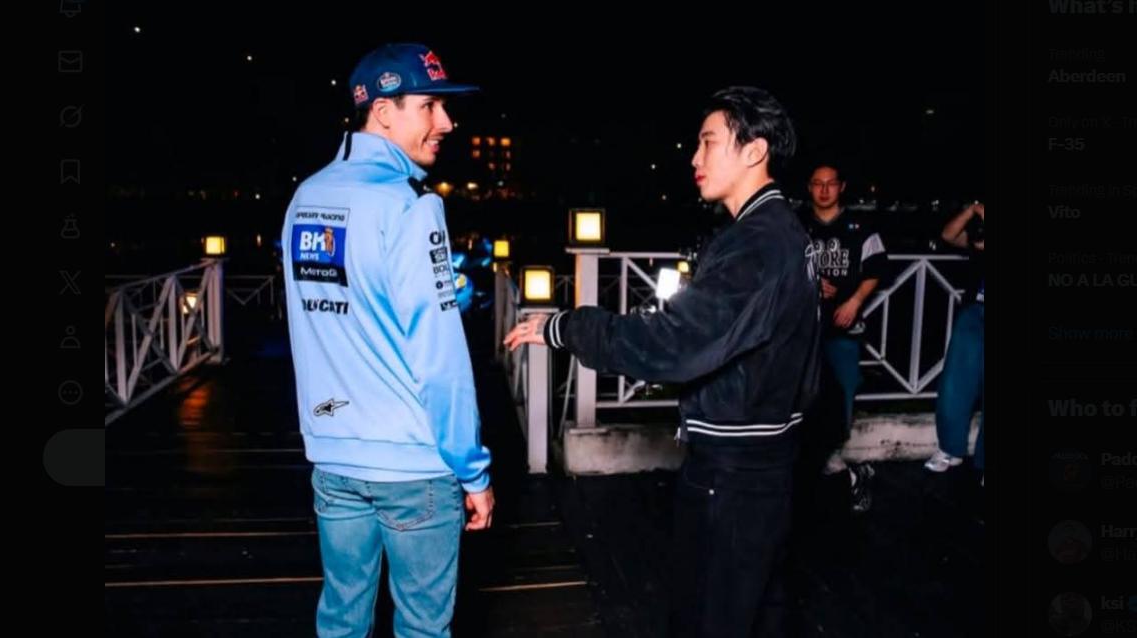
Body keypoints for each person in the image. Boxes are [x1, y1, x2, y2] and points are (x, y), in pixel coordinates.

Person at [505, 86, 821, 638]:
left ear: (754, 151)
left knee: (708, 618)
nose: (695, 157)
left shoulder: (756, 244)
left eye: (708, 142)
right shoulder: (781, 232)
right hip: (765, 463)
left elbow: (673, 344)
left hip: (735, 475)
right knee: (753, 614)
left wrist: (566, 327)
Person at [281, 42, 494, 637]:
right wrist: (473, 471)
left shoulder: (304, 199)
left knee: (342, 620)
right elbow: (441, 359)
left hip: (333, 457)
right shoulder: (410, 208)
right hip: (413, 466)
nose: (446, 123)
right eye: (429, 107)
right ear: (382, 111)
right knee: (423, 628)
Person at [799, 163, 888, 513]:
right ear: (809, 187)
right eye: (817, 183)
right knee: (802, 393)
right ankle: (810, 459)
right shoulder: (796, 225)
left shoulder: (860, 227)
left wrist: (854, 301)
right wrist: (809, 283)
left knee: (843, 390)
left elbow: (877, 268)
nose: (824, 190)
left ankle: (836, 459)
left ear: (841, 187)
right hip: (802, 329)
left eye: (831, 183)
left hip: (844, 326)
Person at [925, 201, 985, 483]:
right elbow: (948, 235)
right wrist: (972, 211)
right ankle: (950, 449)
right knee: (956, 383)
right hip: (975, 311)